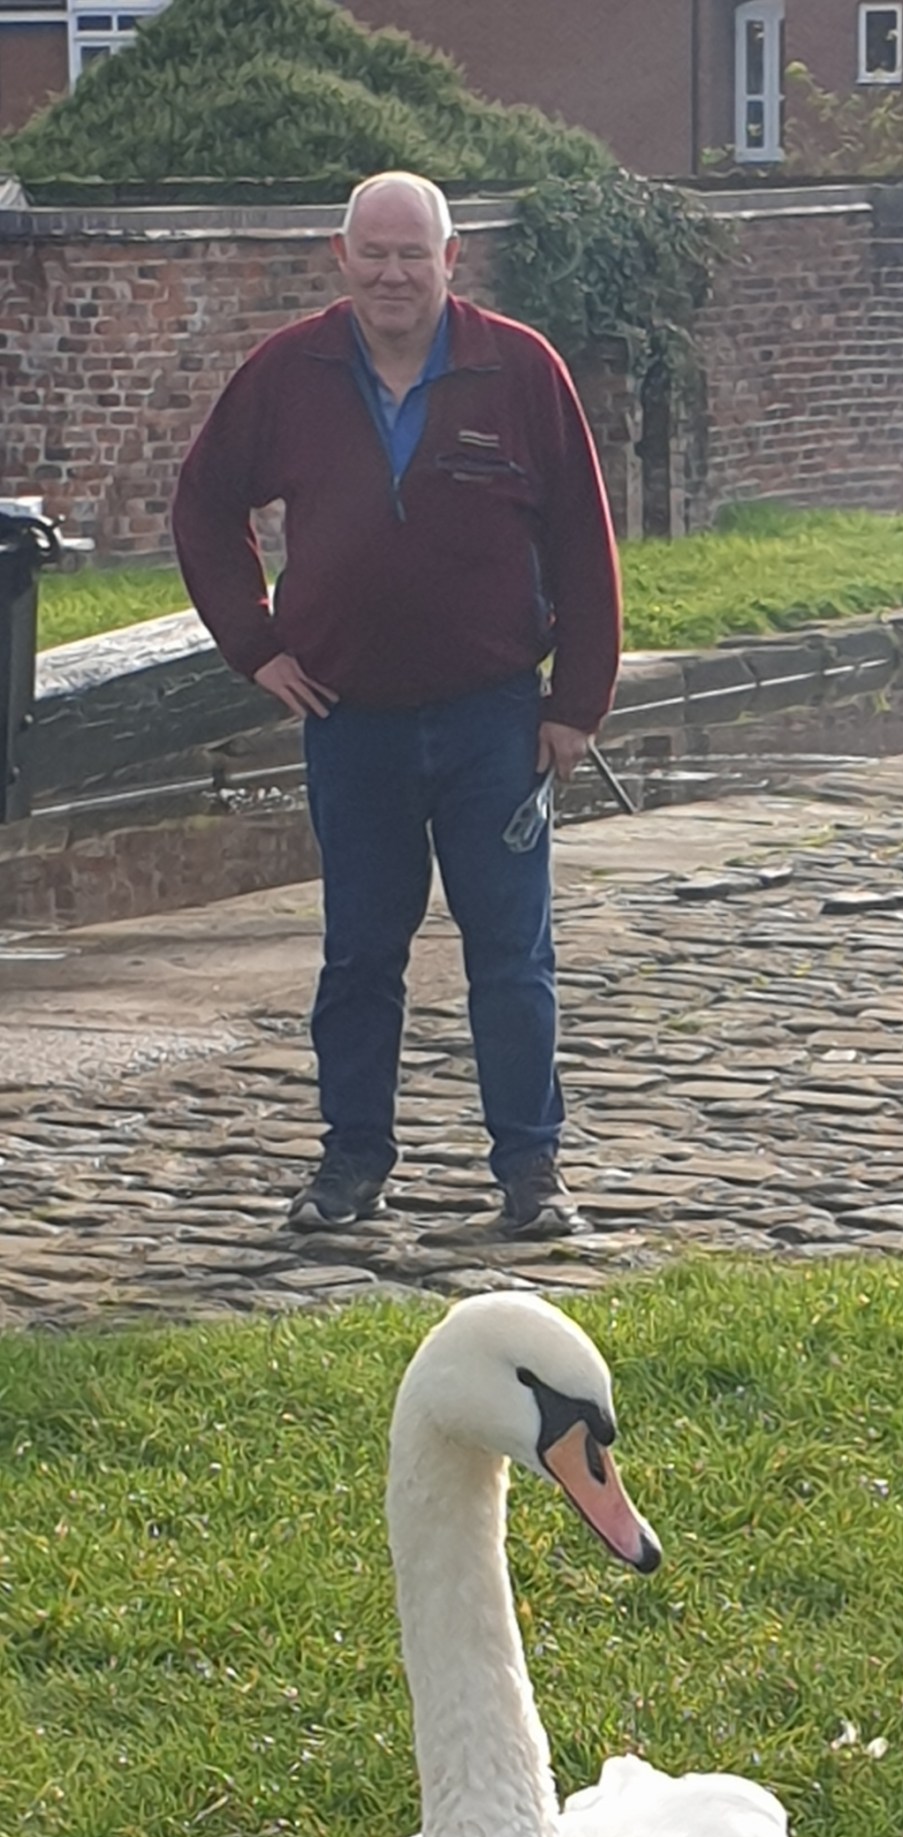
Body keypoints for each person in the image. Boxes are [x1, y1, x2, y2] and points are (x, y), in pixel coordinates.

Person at [173, 170, 620, 1238]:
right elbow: (204, 502)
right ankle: (351, 1163)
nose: (391, 273)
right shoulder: (290, 371)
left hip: (492, 719)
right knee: (360, 954)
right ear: (340, 258)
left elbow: (581, 536)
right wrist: (255, 646)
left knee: (510, 954)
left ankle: (531, 1170)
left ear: (450, 258)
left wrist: (577, 702)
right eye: (372, 253)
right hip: (352, 719)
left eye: (412, 253)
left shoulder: (519, 368)